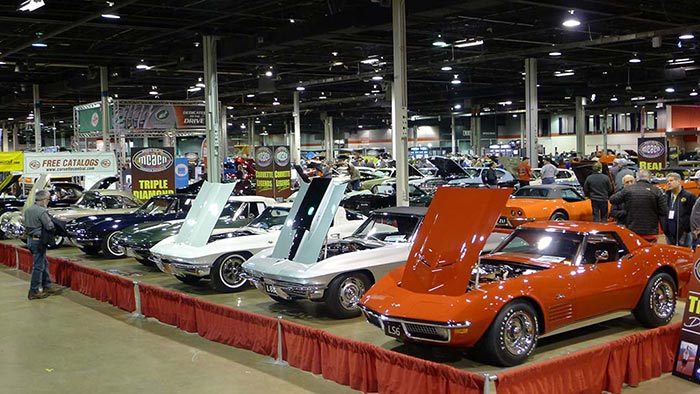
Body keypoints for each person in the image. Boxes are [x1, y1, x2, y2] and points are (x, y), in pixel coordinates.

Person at [609, 169, 668, 242]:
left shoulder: (628, 190)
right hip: (651, 231)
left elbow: (612, 199)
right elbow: (664, 211)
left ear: (637, 178)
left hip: (633, 230)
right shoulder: (656, 191)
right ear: (650, 178)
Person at [25, 189, 64, 300]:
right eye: (47, 199)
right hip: (39, 241)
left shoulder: (28, 210)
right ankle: (34, 290)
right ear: (43, 200)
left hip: (31, 240)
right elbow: (49, 226)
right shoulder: (41, 211)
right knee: (38, 267)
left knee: (43, 263)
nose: (48, 201)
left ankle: (47, 285)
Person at [662, 172, 697, 247]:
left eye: (671, 180)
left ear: (679, 181)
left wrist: (689, 228)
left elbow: (695, 214)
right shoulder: (666, 196)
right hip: (669, 233)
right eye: (667, 181)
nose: (668, 183)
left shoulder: (689, 196)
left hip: (684, 232)